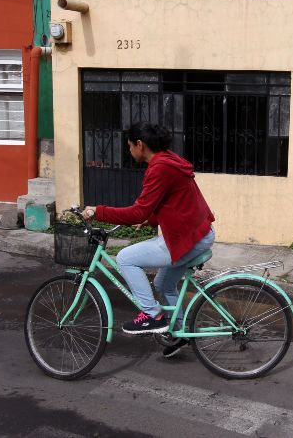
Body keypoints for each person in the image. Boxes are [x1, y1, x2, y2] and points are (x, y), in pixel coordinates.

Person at [83, 122, 215, 358]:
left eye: (129, 146)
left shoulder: (159, 168)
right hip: (196, 233)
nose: (129, 151)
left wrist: (98, 211)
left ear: (140, 145)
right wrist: (152, 219)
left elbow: (137, 211)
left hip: (187, 239)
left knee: (125, 258)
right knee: (163, 284)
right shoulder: (167, 160)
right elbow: (171, 201)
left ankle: (152, 315)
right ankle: (181, 332)